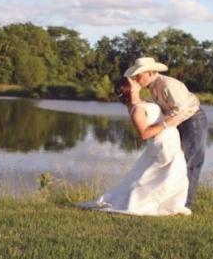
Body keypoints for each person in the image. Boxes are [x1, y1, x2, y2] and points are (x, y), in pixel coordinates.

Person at [77, 76, 191, 216]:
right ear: (130, 89)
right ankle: (157, 205)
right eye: (133, 82)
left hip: (170, 140)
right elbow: (144, 134)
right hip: (162, 144)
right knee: (169, 174)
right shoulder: (136, 110)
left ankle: (173, 205)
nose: (137, 81)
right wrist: (167, 123)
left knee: (174, 173)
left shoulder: (143, 102)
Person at [124, 57, 207, 207]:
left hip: (192, 119)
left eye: (139, 75)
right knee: (174, 160)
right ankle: (170, 200)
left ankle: (185, 203)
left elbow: (181, 110)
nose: (136, 79)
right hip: (176, 121)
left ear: (150, 73)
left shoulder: (168, 84)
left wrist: (164, 126)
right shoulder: (152, 87)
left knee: (191, 160)